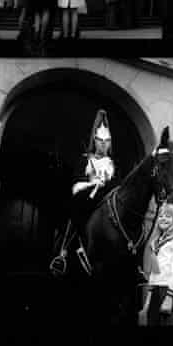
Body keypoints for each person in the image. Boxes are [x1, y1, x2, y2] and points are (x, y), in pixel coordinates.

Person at [52, 109, 117, 275]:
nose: (103, 144)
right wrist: (92, 183)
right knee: (77, 208)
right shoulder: (85, 159)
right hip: (86, 198)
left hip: (106, 200)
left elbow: (118, 186)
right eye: (100, 140)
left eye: (107, 140)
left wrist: (107, 184)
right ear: (94, 140)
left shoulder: (112, 164)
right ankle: (64, 252)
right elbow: (75, 186)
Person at [144, 203, 173, 326]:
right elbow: (155, 272)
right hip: (156, 292)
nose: (163, 218)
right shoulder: (157, 242)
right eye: (160, 216)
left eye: (168, 216)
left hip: (169, 292)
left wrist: (169, 297)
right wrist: (149, 298)